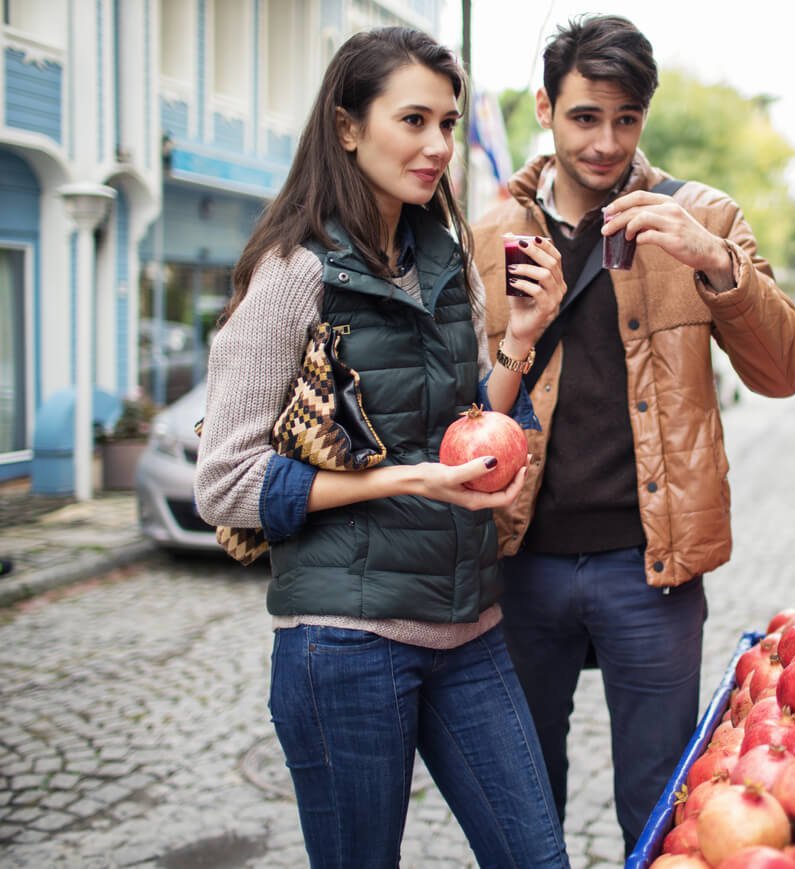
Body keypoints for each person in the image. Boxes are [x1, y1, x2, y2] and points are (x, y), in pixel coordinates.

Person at [193, 27, 570, 869]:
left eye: (448, 121)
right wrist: (403, 481)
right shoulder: (291, 271)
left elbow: (472, 424)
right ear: (348, 127)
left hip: (469, 627)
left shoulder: (446, 260)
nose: (438, 144)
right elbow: (223, 484)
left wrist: (524, 338)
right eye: (413, 120)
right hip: (344, 644)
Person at [472, 14, 795, 854]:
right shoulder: (489, 234)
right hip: (521, 563)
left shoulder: (703, 217)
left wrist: (717, 264)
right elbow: (461, 402)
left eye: (626, 119)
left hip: (650, 567)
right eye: (586, 116)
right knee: (523, 807)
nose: (606, 141)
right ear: (546, 108)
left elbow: (786, 370)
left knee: (661, 807)